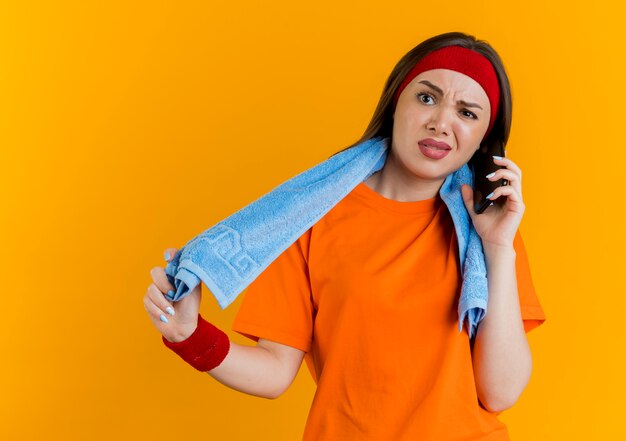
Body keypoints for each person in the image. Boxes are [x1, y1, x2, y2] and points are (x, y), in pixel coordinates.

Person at [143, 31, 547, 440]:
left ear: (483, 138)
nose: (440, 123)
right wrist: (190, 337)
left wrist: (498, 250)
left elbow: (500, 391)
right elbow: (274, 371)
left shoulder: (489, 227)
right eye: (427, 98)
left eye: (467, 112)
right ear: (396, 103)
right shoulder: (311, 214)